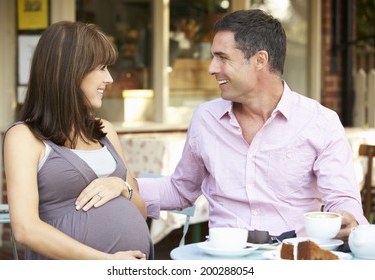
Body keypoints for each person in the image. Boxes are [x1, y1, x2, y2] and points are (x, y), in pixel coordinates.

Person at [137, 9, 368, 242]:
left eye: (222, 57)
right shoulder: (205, 119)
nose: (212, 68)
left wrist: (345, 217)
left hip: (292, 260)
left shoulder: (320, 122)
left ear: (260, 60)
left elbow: (342, 199)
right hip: (223, 261)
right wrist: (125, 187)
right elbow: (180, 190)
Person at [3, 21, 153, 260]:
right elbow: (25, 229)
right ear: (71, 70)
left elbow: (142, 212)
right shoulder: (24, 137)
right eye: (102, 68)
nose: (110, 78)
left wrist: (121, 187)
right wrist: (107, 262)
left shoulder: (105, 131)